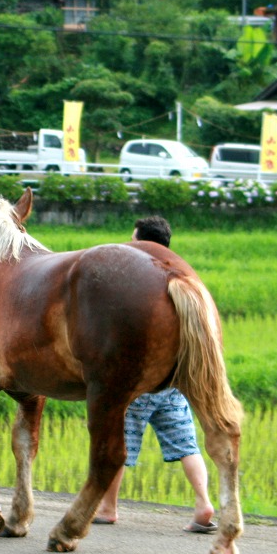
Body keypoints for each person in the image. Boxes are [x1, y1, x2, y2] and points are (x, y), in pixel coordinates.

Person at [93, 215, 217, 534]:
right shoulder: (178, 280)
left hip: (139, 385)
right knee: (187, 444)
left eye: (133, 240)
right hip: (172, 385)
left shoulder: (139, 285)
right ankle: (203, 503)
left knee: (117, 440)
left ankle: (108, 507)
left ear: (143, 244)